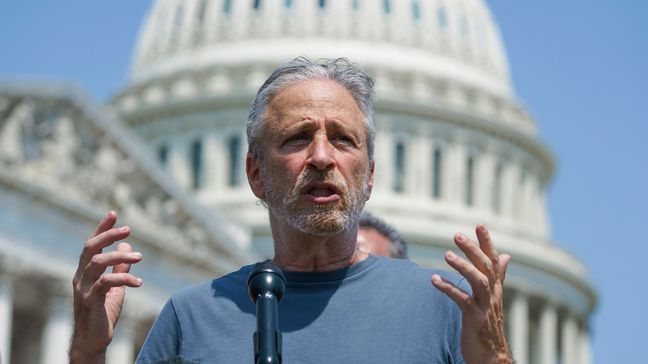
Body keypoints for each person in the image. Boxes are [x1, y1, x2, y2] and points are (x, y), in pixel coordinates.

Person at [70, 57, 513, 363]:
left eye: (342, 138)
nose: (322, 156)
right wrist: (87, 353)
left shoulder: (444, 306)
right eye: (298, 138)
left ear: (370, 173)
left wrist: (495, 357)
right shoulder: (192, 315)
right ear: (256, 173)